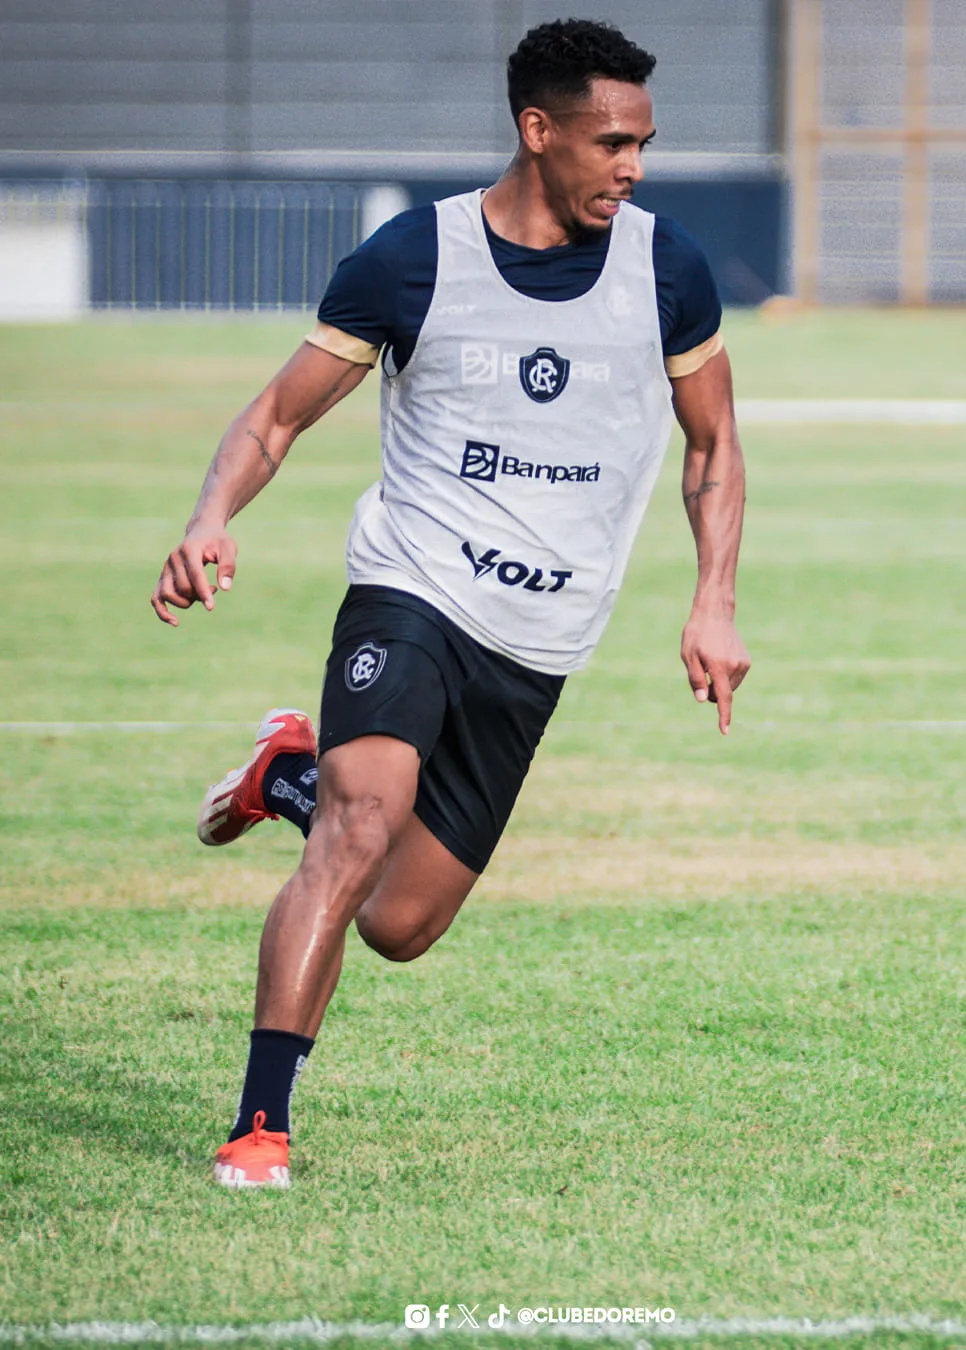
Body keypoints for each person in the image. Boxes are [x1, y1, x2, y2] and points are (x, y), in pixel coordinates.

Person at [151, 17, 750, 1189]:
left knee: (401, 925)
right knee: (361, 827)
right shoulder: (410, 260)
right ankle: (260, 1125)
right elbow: (276, 416)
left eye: (644, 144)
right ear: (538, 131)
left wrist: (713, 601)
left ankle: (288, 773)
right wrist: (208, 517)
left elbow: (715, 449)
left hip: (543, 637)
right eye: (610, 141)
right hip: (412, 588)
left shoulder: (666, 268)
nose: (632, 167)